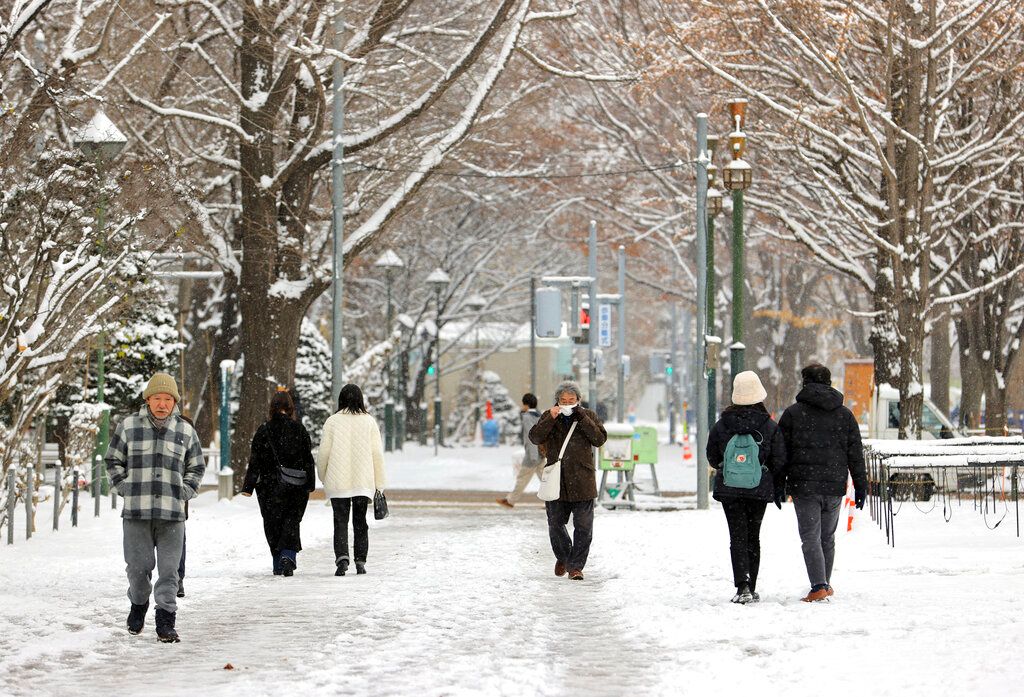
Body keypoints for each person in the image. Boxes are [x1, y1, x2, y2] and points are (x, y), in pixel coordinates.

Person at [104, 372, 206, 643]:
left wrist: (185, 491)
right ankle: (138, 604)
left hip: (172, 515)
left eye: (168, 399)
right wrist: (124, 487)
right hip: (137, 512)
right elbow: (112, 460)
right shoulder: (128, 426)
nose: (162, 404)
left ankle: (166, 621)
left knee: (169, 571)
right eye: (157, 398)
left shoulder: (185, 431)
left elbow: (196, 466)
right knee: (138, 568)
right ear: (148, 400)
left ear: (175, 403)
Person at [778, 363, 867, 603]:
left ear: (805, 382)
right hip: (834, 485)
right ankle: (824, 583)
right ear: (828, 383)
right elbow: (855, 453)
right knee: (827, 537)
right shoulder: (845, 414)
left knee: (810, 536)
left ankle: (819, 586)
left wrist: (778, 483)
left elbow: (781, 454)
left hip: (804, 486)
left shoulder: (793, 414)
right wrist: (861, 484)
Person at [706, 371, 786, 604]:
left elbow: (712, 457)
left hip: (730, 489)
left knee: (737, 537)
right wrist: (774, 481)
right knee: (753, 537)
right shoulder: (769, 426)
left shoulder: (722, 425)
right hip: (758, 489)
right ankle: (752, 585)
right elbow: (780, 460)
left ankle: (742, 586)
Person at [529, 381, 607, 581]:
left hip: (583, 481)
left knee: (583, 527)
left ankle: (576, 567)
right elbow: (535, 438)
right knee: (555, 524)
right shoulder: (549, 415)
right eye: (563, 400)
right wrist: (550, 419)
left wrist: (581, 416)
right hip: (557, 480)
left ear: (578, 400)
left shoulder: (588, 416)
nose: (567, 403)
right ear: (557, 401)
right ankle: (564, 556)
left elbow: (599, 439)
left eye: (571, 400)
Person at [240, 389, 316, 577]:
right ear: (290, 408)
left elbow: (255, 460)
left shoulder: (263, 430)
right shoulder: (299, 429)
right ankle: (288, 555)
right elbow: (308, 459)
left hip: (268, 487)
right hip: (295, 485)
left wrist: (248, 486)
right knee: (291, 521)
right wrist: (310, 483)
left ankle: (277, 562)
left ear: (271, 408)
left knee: (273, 523)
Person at [317, 384, 387, 576]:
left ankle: (342, 560)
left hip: (338, 483)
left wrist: (324, 476)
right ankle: (360, 560)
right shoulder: (369, 422)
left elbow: (323, 454)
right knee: (360, 521)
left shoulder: (332, 422)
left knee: (340, 521)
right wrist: (379, 484)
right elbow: (376, 454)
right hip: (362, 482)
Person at [496, 393, 544, 508]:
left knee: (522, 479)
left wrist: (533, 456)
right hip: (542, 453)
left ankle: (510, 501)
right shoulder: (540, 415)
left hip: (533, 456)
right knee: (546, 480)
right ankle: (554, 502)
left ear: (526, 405)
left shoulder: (527, 417)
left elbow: (530, 436)